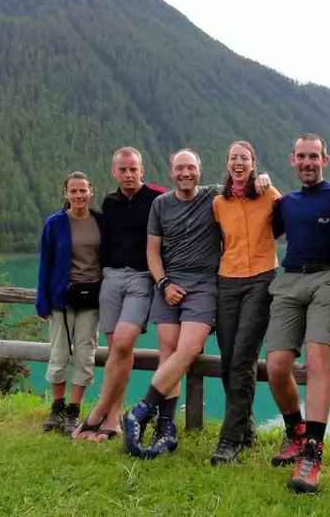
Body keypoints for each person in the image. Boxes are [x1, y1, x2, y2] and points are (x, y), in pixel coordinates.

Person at [122, 148, 271, 459]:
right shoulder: (161, 204)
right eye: (179, 168)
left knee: (187, 350)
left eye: (190, 168)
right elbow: (152, 252)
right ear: (170, 170)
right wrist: (163, 283)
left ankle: (140, 410)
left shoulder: (214, 196)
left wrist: (263, 179)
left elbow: (244, 186)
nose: (185, 173)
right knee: (167, 350)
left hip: (205, 284)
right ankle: (167, 427)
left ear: (200, 170)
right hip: (168, 283)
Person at [265, 133, 330, 494]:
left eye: (313, 156)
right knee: (276, 366)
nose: (307, 162)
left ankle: (312, 454)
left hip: (328, 279)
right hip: (288, 280)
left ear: (325, 160)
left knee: (318, 362)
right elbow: (256, 226)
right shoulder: (286, 203)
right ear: (292, 159)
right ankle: (296, 431)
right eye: (301, 156)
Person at [71, 147, 166, 442]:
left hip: (141, 279)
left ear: (142, 170)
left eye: (133, 169)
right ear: (114, 172)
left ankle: (98, 411)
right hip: (110, 279)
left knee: (124, 344)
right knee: (117, 352)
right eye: (122, 170)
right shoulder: (109, 203)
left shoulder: (157, 198)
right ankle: (113, 420)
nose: (128, 174)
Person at [210, 141, 282, 465]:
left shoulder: (269, 194)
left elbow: (291, 217)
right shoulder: (218, 202)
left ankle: (230, 438)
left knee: (243, 356)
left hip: (262, 279)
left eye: (244, 158)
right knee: (228, 358)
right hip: (227, 279)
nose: (238, 163)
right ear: (227, 164)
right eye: (233, 158)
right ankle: (247, 426)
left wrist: (267, 180)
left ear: (253, 163)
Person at [36, 171, 104, 436]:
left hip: (92, 299)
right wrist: (42, 301)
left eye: (83, 190)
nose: (78, 196)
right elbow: (46, 264)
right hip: (61, 299)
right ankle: (57, 408)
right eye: (73, 191)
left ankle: (73, 411)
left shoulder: (100, 222)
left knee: (85, 355)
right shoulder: (54, 224)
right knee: (59, 353)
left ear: (91, 192)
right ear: (65, 194)